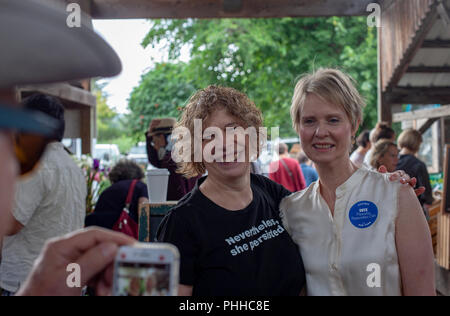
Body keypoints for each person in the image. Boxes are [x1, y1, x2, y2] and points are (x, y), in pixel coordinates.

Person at [0, 0, 135, 296]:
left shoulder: (42, 164)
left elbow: (14, 223)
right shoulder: (70, 164)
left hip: (25, 277)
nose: (12, 166)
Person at [282, 68, 435, 296]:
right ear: (298, 127)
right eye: (309, 121)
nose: (320, 131)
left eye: (333, 120)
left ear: (354, 125)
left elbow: (421, 290)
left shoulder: (395, 194)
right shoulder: (292, 210)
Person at [157, 86, 306, 296]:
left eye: (233, 129)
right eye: (208, 136)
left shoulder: (268, 191)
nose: (224, 143)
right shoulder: (181, 223)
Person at [0, 94, 87, 295]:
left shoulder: (35, 165)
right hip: (64, 278)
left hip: (31, 279)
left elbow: (11, 224)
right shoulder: (71, 165)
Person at [85, 159, 149, 232]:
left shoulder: (107, 191)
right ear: (139, 174)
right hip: (124, 237)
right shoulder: (140, 186)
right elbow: (144, 213)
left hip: (101, 236)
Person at [146, 118, 199, 201]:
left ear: (162, 137)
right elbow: (155, 160)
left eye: (154, 138)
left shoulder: (171, 160)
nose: (154, 143)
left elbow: (179, 193)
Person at [396, 129, 434, 216]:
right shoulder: (419, 165)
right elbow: (426, 192)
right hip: (413, 210)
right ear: (417, 144)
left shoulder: (390, 161)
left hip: (393, 209)